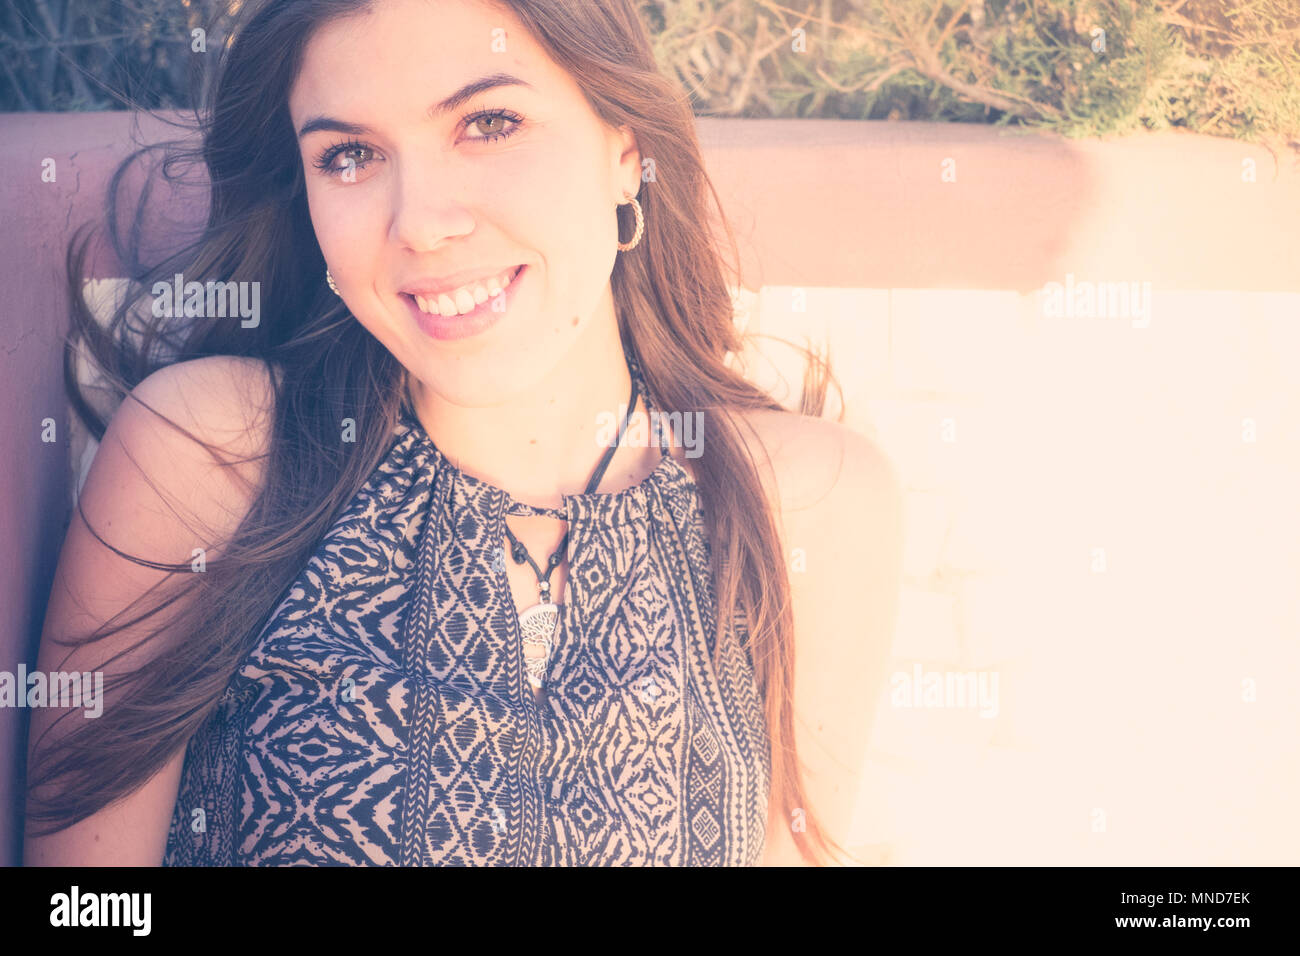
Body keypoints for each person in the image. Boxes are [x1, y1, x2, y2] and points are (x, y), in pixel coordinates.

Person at [24, 0, 902, 866]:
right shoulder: (213, 455)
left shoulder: (809, 505)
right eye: (351, 156)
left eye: (490, 123)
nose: (421, 223)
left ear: (626, 154)